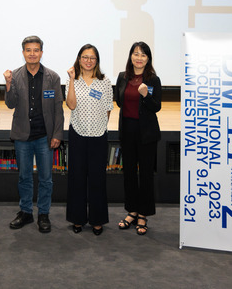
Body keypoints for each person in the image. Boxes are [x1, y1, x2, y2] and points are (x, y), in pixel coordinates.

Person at [4, 35, 64, 233]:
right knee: (24, 177)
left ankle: (44, 214)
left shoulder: (53, 77)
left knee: (46, 178)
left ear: (41, 52)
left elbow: (58, 108)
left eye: (36, 50)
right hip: (22, 136)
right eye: (28, 50)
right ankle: (26, 212)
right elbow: (10, 103)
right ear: (23, 53)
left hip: (44, 136)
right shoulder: (15, 75)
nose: (32, 53)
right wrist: (8, 84)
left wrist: (57, 134)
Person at [65, 44, 113, 235]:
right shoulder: (73, 80)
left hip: (99, 135)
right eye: (84, 57)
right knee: (77, 178)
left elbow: (108, 107)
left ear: (97, 61)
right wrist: (70, 80)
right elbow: (71, 104)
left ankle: (97, 219)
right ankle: (77, 219)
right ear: (78, 59)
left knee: (97, 179)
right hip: (77, 134)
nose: (88, 61)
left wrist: (98, 126)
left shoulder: (105, 81)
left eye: (92, 58)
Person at [115, 41, 162, 235]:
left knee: (145, 175)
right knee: (129, 174)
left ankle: (143, 214)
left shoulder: (153, 80)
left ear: (148, 59)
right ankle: (132, 211)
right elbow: (119, 101)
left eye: (143, 55)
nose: (139, 58)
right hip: (127, 130)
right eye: (136, 54)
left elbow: (156, 107)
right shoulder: (122, 77)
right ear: (130, 56)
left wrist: (146, 96)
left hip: (146, 133)